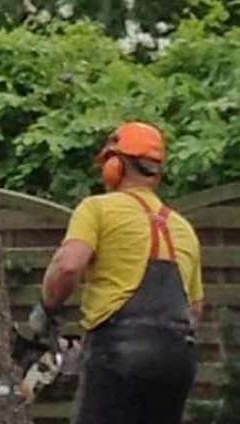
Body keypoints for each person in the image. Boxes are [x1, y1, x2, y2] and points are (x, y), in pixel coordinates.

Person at [27, 122, 204, 424]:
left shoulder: (97, 208)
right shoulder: (182, 227)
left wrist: (47, 310)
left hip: (119, 352)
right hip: (177, 359)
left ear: (114, 165)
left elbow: (67, 266)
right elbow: (195, 310)